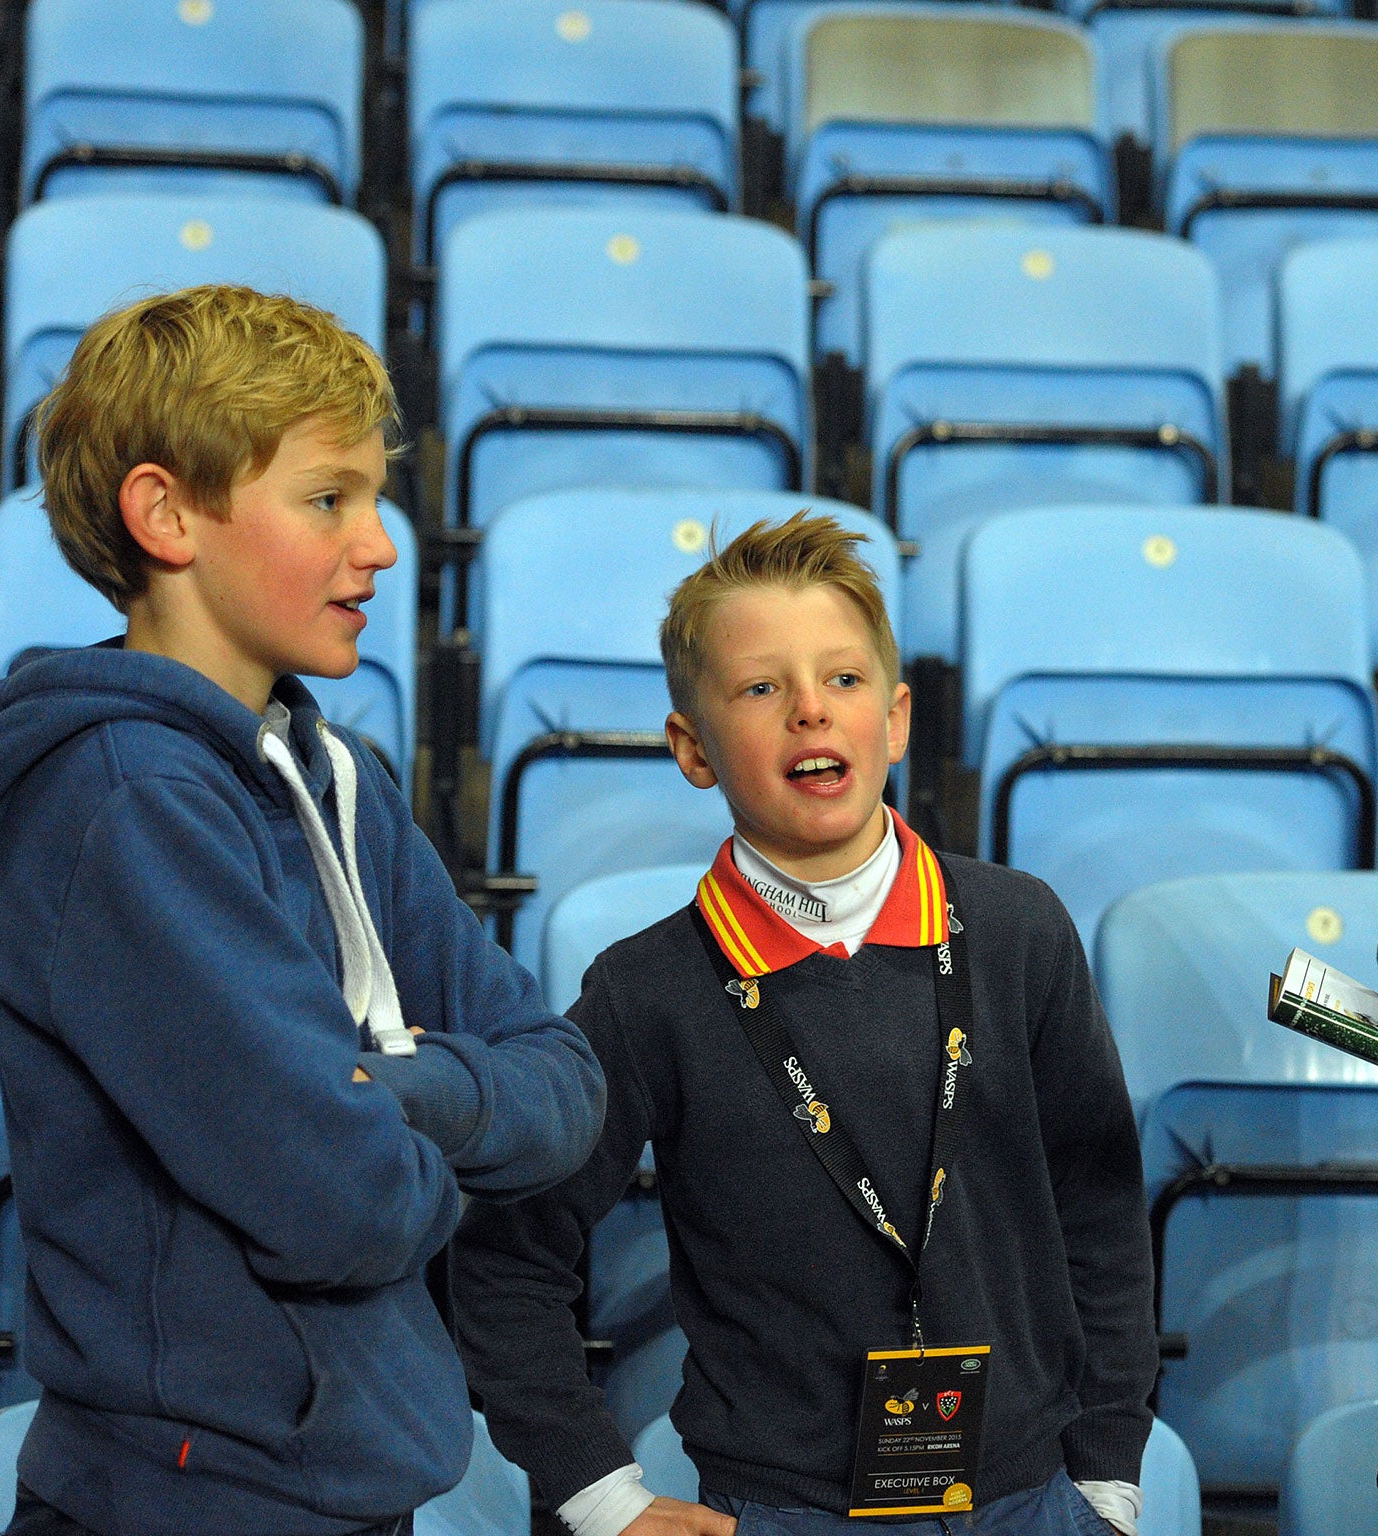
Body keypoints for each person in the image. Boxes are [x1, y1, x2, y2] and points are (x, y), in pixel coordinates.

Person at [0, 285, 608, 1535]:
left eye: (372, 500)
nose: (379, 545)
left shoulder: (340, 776)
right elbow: (345, 1202)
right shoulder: (122, 799)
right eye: (328, 500)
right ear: (165, 514)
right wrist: (420, 1125)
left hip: (346, 1486)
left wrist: (395, 1088)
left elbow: (568, 1085)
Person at [453, 514, 1157, 1536]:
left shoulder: (1018, 930)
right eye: (759, 688)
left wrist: (1105, 1478)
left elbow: (1100, 1216)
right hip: (780, 1509)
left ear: (898, 719)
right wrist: (600, 1497)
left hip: (1032, 1497)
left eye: (841, 680)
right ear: (691, 748)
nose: (808, 713)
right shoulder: (644, 989)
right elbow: (509, 1256)